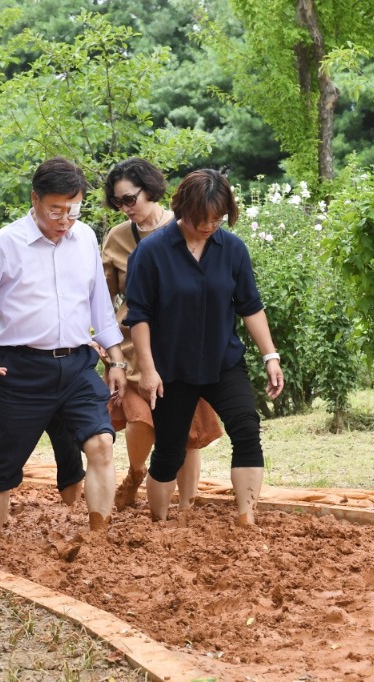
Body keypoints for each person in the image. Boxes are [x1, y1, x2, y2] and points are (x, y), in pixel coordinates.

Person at [0, 157, 127, 537]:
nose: (65, 219)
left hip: (79, 365)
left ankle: (98, 538)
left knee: (100, 444)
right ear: (35, 200)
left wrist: (116, 359)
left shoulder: (84, 239)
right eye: (56, 209)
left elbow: (101, 304)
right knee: (4, 468)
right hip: (22, 370)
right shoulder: (6, 243)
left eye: (74, 209)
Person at [124, 169, 285, 526]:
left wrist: (270, 356)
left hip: (222, 361)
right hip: (172, 369)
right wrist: (148, 370)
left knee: (246, 429)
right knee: (169, 451)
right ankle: (159, 523)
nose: (209, 226)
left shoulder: (232, 249)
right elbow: (139, 317)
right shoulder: (151, 252)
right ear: (182, 209)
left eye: (218, 219)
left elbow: (250, 306)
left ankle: (246, 518)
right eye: (202, 219)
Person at [101, 158, 223, 511]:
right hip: (134, 353)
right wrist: (108, 349)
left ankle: (185, 506)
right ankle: (137, 472)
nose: (125, 209)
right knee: (140, 421)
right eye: (117, 203)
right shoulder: (118, 238)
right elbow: (101, 299)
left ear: (151, 189)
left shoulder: (188, 226)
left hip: (185, 351)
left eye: (129, 199)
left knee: (188, 435)